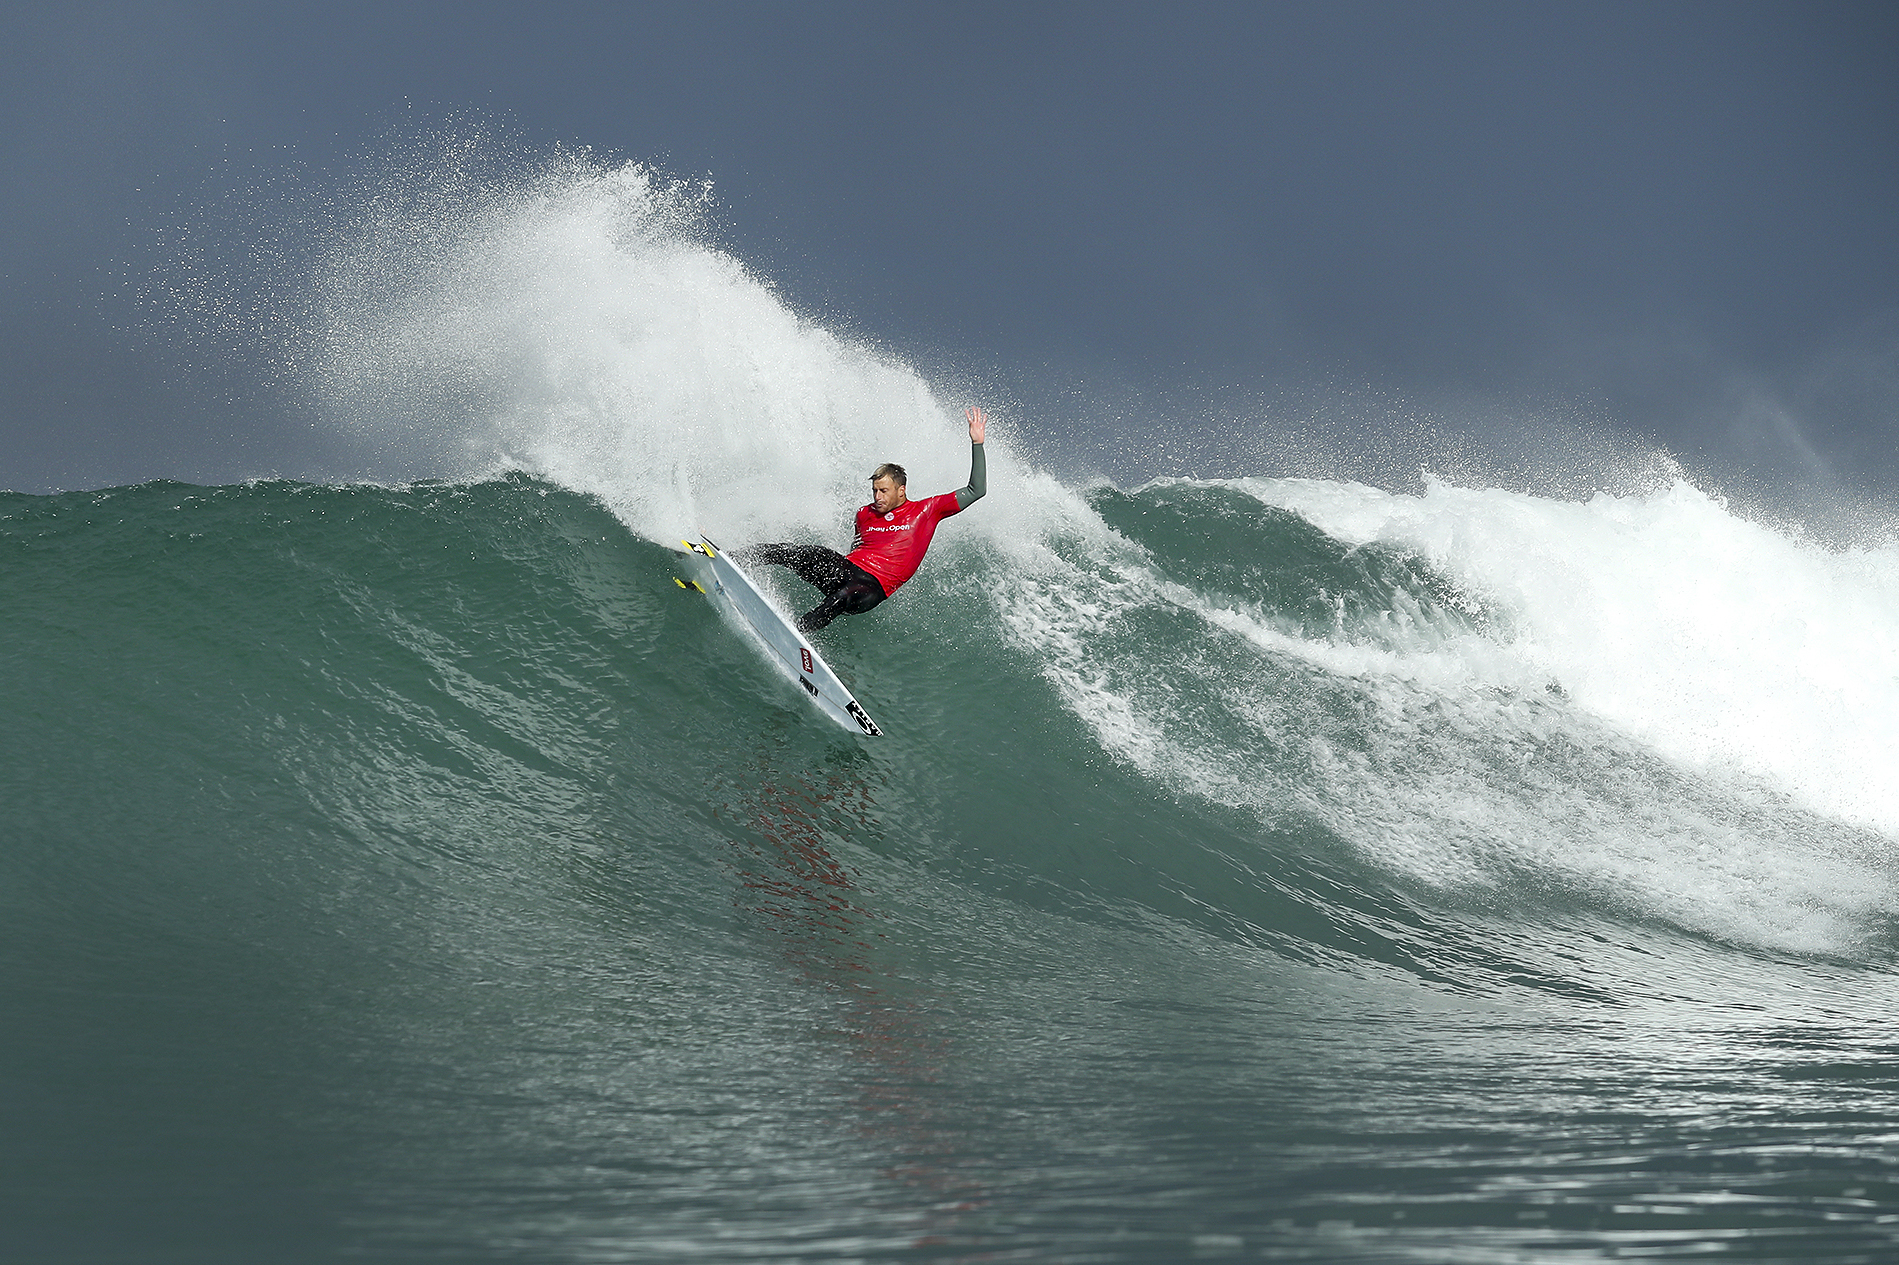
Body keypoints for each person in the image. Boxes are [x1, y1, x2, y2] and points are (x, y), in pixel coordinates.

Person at [743, 406, 988, 632]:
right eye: (875, 491)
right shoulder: (864, 513)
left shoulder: (928, 510)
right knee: (796, 552)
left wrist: (977, 443)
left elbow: (976, 490)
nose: (877, 496)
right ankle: (733, 558)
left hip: (873, 588)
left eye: (884, 491)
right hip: (848, 568)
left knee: (843, 596)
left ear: (901, 490)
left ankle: (796, 632)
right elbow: (858, 546)